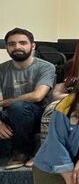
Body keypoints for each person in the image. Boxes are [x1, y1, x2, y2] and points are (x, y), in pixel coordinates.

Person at [0, 28, 55, 170]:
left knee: (18, 107)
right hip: (10, 117)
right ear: (7, 48)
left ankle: (21, 153)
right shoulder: (2, 69)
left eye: (22, 43)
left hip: (39, 116)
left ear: (33, 45)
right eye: (12, 44)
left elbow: (38, 96)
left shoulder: (46, 67)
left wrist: (5, 102)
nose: (17, 47)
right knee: (15, 108)